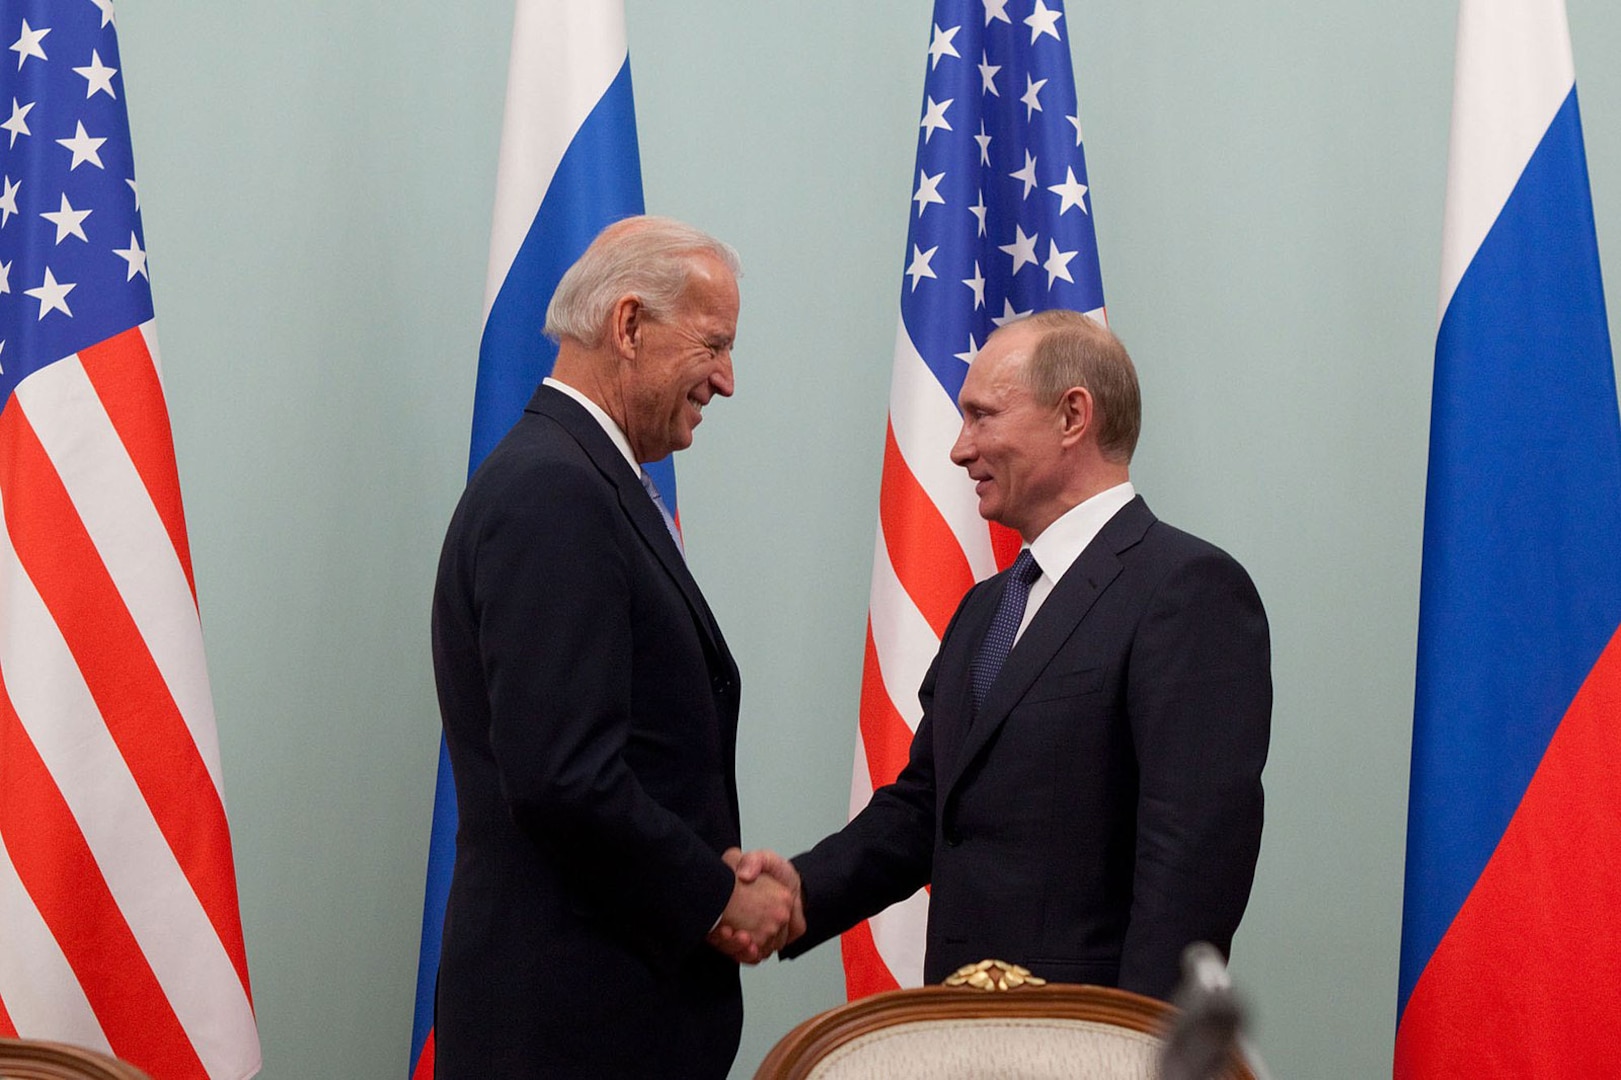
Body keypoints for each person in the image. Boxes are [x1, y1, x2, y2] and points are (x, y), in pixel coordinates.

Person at [767, 309, 1272, 1000]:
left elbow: (1192, 860)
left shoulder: (1185, 591)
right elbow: (927, 806)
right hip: (961, 1021)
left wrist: (1140, 1046)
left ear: (1072, 416)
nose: (957, 448)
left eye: (981, 417)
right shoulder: (987, 608)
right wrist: (794, 894)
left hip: (1087, 1034)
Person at [430, 216, 795, 1079]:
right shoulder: (555, 493)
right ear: (628, 327)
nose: (728, 381)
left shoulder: (574, 478)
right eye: (713, 345)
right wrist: (716, 898)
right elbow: (562, 776)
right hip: (570, 1027)